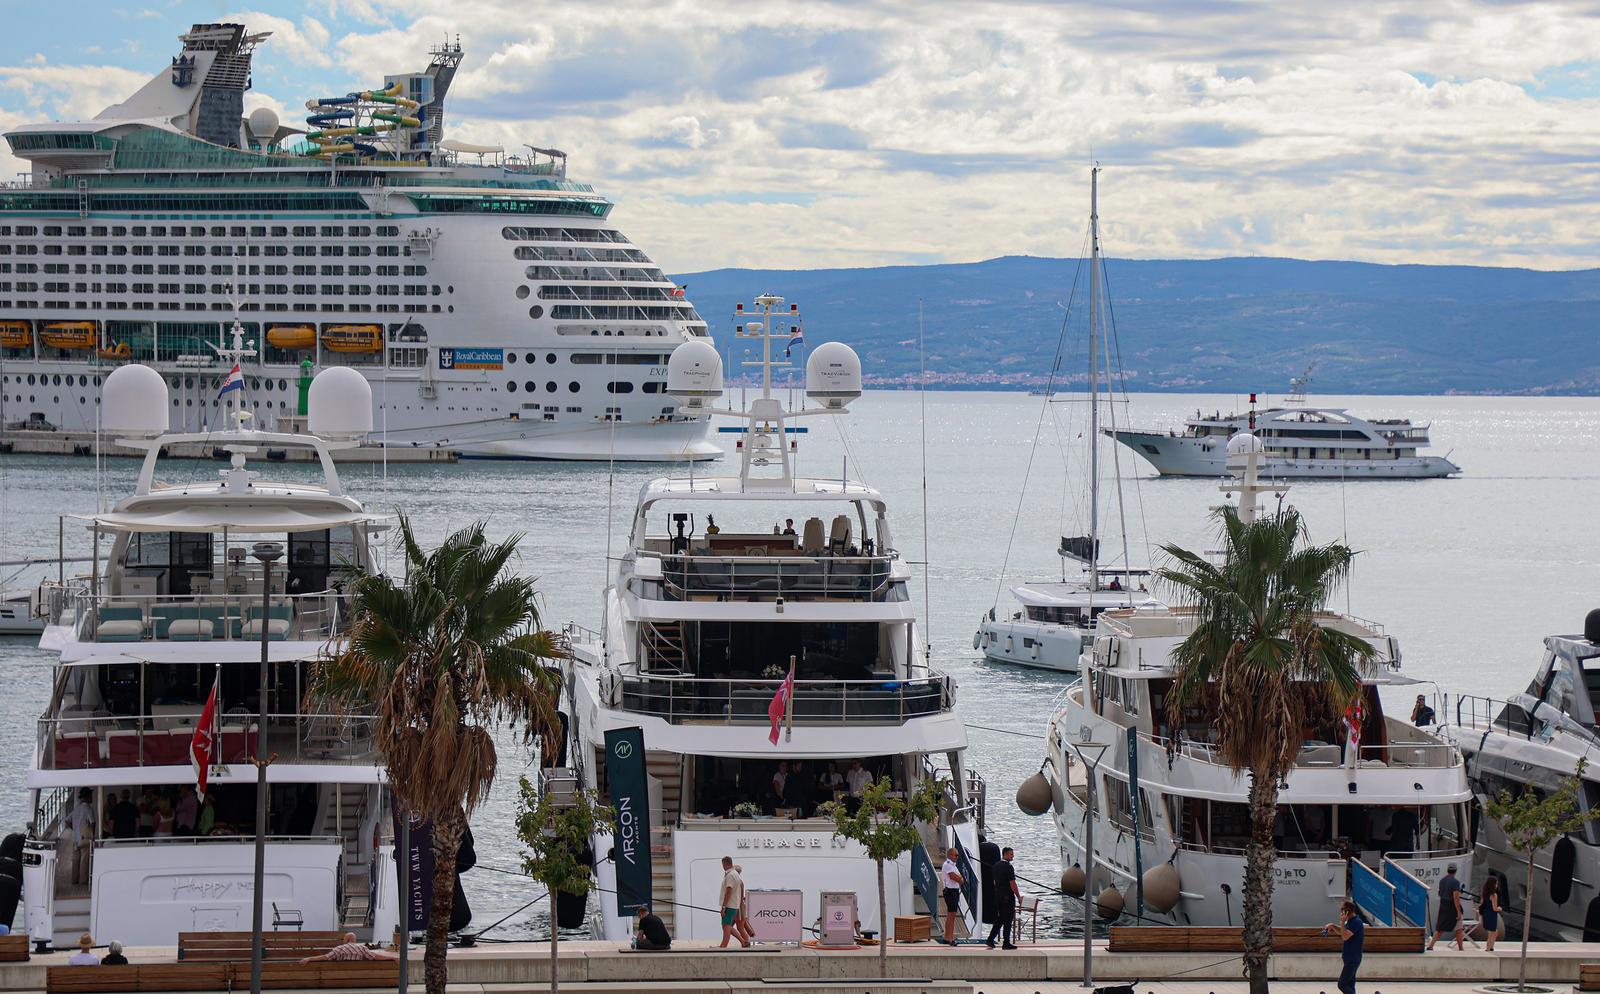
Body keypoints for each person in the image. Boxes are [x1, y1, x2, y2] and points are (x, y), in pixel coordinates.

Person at [1324, 900, 1364, 994]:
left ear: (1346, 912)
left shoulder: (1356, 922)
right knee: (1349, 984)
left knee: (1342, 984)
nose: (1341, 913)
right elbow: (1343, 932)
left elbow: (1345, 936)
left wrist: (1342, 922)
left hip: (1352, 959)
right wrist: (1333, 926)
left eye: (1342, 910)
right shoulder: (1351, 921)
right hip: (1349, 958)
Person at [1427, 863, 1464, 950]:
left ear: (1448, 870)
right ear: (1455, 871)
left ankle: (1431, 945)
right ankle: (1461, 948)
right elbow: (1456, 898)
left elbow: (1440, 893)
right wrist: (1458, 911)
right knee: (1459, 928)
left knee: (1440, 927)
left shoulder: (1442, 880)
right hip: (1452, 907)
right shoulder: (1456, 882)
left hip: (1443, 905)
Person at [299, 933, 399, 963]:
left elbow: (326, 957)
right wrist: (392, 958)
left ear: (346, 940)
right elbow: (375, 956)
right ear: (354, 940)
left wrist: (309, 959)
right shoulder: (362, 949)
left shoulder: (339, 949)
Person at [717, 856, 749, 948]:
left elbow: (728, 890)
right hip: (734, 905)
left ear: (725, 864)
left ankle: (724, 945)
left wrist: (723, 907)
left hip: (729, 905)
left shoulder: (730, 875)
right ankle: (743, 941)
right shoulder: (735, 874)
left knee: (726, 926)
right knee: (728, 926)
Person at [68, 788, 95, 886]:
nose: (92, 797)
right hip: (85, 838)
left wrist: (75, 829)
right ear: (87, 797)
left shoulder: (77, 808)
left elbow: (67, 821)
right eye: (91, 795)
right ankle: (83, 881)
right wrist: (92, 835)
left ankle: (74, 880)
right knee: (84, 860)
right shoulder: (88, 808)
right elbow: (92, 822)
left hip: (75, 837)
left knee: (75, 860)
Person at [940, 846, 965, 945]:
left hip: (954, 891)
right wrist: (960, 879)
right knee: (951, 915)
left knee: (952, 915)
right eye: (956, 855)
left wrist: (960, 878)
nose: (957, 857)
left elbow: (961, 877)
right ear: (950, 855)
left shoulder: (953, 866)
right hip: (950, 891)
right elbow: (955, 877)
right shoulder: (948, 865)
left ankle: (948, 937)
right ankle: (949, 938)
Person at [1480, 875, 1502, 952]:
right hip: (1492, 915)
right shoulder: (1494, 895)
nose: (1496, 886)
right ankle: (1488, 949)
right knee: (1492, 933)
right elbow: (1494, 908)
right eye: (1496, 884)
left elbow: (1481, 904)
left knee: (1494, 932)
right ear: (1492, 885)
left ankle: (1491, 947)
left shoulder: (1484, 893)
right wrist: (1499, 908)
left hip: (1485, 914)